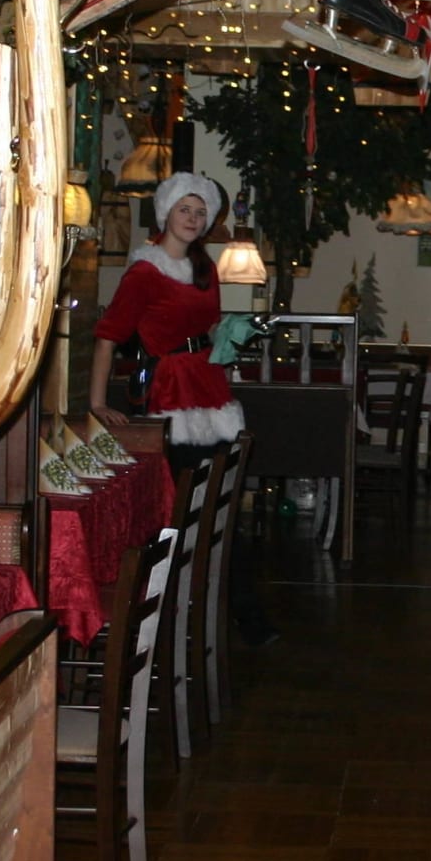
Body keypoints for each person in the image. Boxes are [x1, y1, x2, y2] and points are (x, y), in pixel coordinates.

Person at [87, 172, 274, 644]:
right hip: (170, 396)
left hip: (211, 389)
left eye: (200, 212)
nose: (192, 218)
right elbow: (108, 336)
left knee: (219, 511)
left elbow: (207, 328)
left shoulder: (205, 268)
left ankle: (232, 615)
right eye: (184, 210)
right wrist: (96, 402)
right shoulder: (144, 272)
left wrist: (231, 335)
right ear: (167, 213)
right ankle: (169, 618)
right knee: (177, 512)